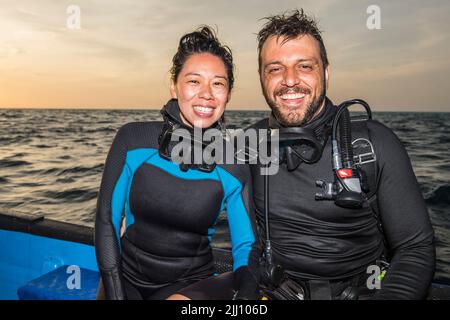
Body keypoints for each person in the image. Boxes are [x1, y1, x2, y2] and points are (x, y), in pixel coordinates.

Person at [246, 9, 435, 299]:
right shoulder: (248, 145)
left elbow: (415, 248)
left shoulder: (375, 143)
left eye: (305, 66)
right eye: (275, 68)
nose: (289, 80)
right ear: (261, 77)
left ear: (326, 72)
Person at [94, 26, 259, 300]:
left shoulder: (233, 164)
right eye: (194, 81)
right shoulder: (134, 139)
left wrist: (246, 297)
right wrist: (114, 291)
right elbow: (106, 220)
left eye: (218, 83)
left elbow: (246, 245)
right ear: (174, 85)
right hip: (125, 279)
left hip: (190, 287)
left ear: (228, 94)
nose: (207, 93)